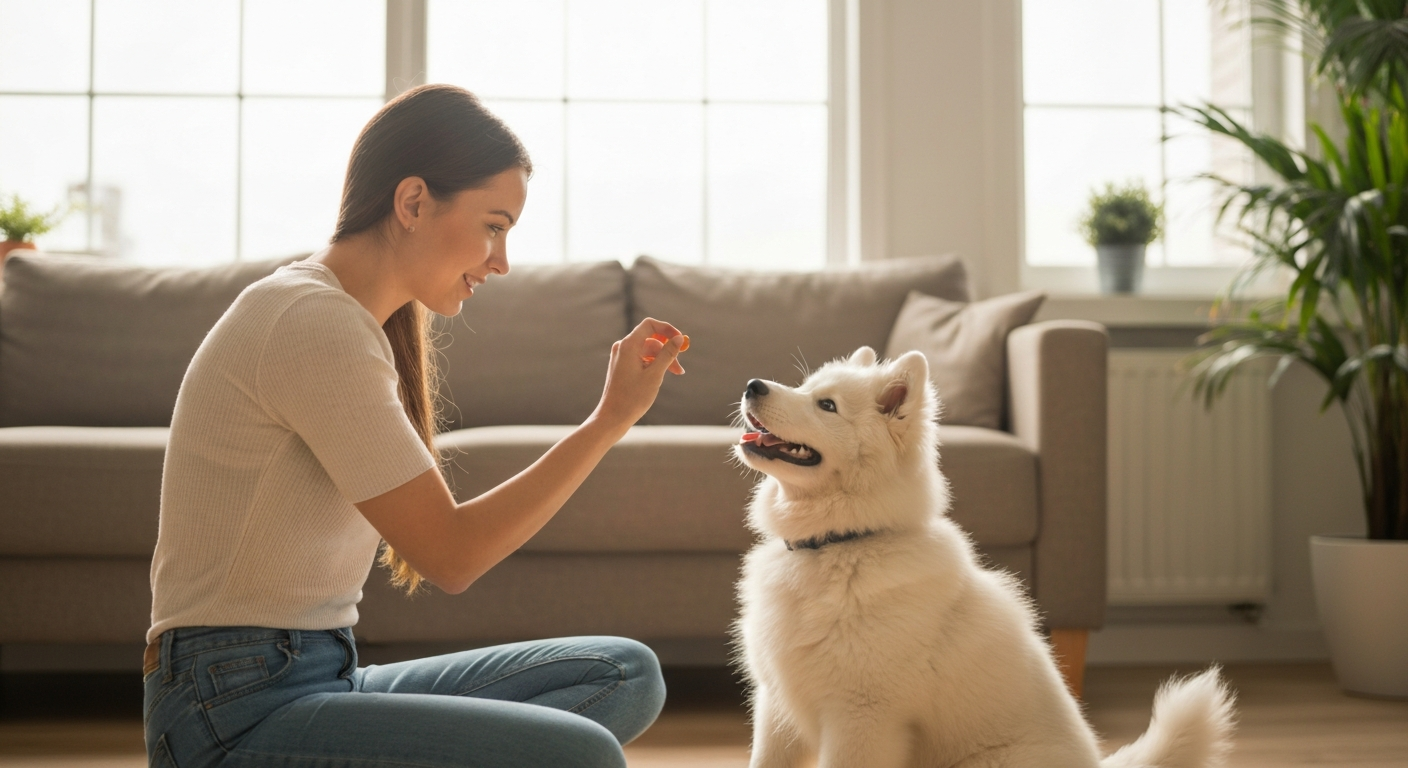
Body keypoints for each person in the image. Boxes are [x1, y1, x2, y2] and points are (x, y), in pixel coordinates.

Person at [141, 84, 684, 768]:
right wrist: (608, 421)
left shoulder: (344, 318)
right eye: (493, 225)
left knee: (623, 674)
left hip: (317, 677)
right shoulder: (310, 321)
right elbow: (451, 556)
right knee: (582, 755)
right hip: (229, 712)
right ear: (413, 203)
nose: (501, 261)